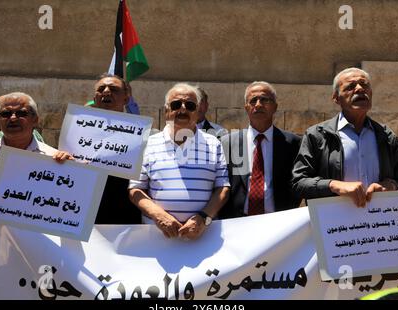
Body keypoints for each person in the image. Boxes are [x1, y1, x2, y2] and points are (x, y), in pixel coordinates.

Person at [0, 92, 72, 297]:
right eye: (6, 114)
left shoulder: (57, 161)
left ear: (35, 119)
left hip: (36, 254)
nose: (13, 118)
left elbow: (73, 205)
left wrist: (76, 172)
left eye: (21, 113)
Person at [292, 67, 398, 207]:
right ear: (336, 98)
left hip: (381, 221)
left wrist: (391, 186)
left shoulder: (386, 136)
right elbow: (299, 183)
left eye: (364, 85)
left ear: (371, 93)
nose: (360, 89)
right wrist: (333, 185)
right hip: (335, 224)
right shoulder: (317, 135)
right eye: (351, 86)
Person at [128, 83, 230, 240]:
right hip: (156, 239)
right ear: (166, 110)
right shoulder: (148, 143)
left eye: (190, 105)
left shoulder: (214, 143)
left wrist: (203, 218)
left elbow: (222, 188)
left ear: (198, 111)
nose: (183, 109)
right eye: (176, 104)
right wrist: (159, 216)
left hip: (203, 238)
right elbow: (135, 190)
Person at [219, 81, 301, 219]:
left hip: (279, 222)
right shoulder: (227, 142)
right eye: (253, 101)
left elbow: (298, 182)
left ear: (275, 107)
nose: (258, 104)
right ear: (246, 107)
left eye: (264, 100)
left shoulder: (293, 143)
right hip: (236, 222)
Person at [89, 73, 142, 224]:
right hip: (86, 211)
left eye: (113, 89)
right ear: (95, 98)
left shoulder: (141, 134)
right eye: (101, 89)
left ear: (126, 99)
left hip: (125, 215)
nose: (106, 92)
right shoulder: (76, 130)